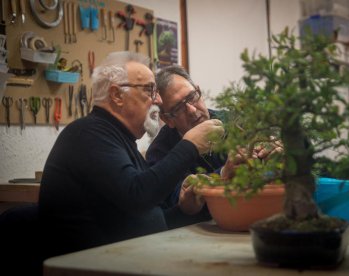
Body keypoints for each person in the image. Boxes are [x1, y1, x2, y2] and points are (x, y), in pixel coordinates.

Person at [38, 52, 224, 257]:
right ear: (117, 95)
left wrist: (185, 210)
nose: (159, 100)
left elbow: (153, 219)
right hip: (92, 268)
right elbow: (138, 195)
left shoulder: (120, 141)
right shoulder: (87, 134)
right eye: (150, 90)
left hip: (129, 258)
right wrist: (190, 144)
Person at [146, 65, 231, 227]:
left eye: (192, 97)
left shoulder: (234, 122)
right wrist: (224, 173)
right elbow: (179, 198)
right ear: (167, 119)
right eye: (178, 108)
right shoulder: (159, 153)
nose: (192, 110)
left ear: (198, 91)